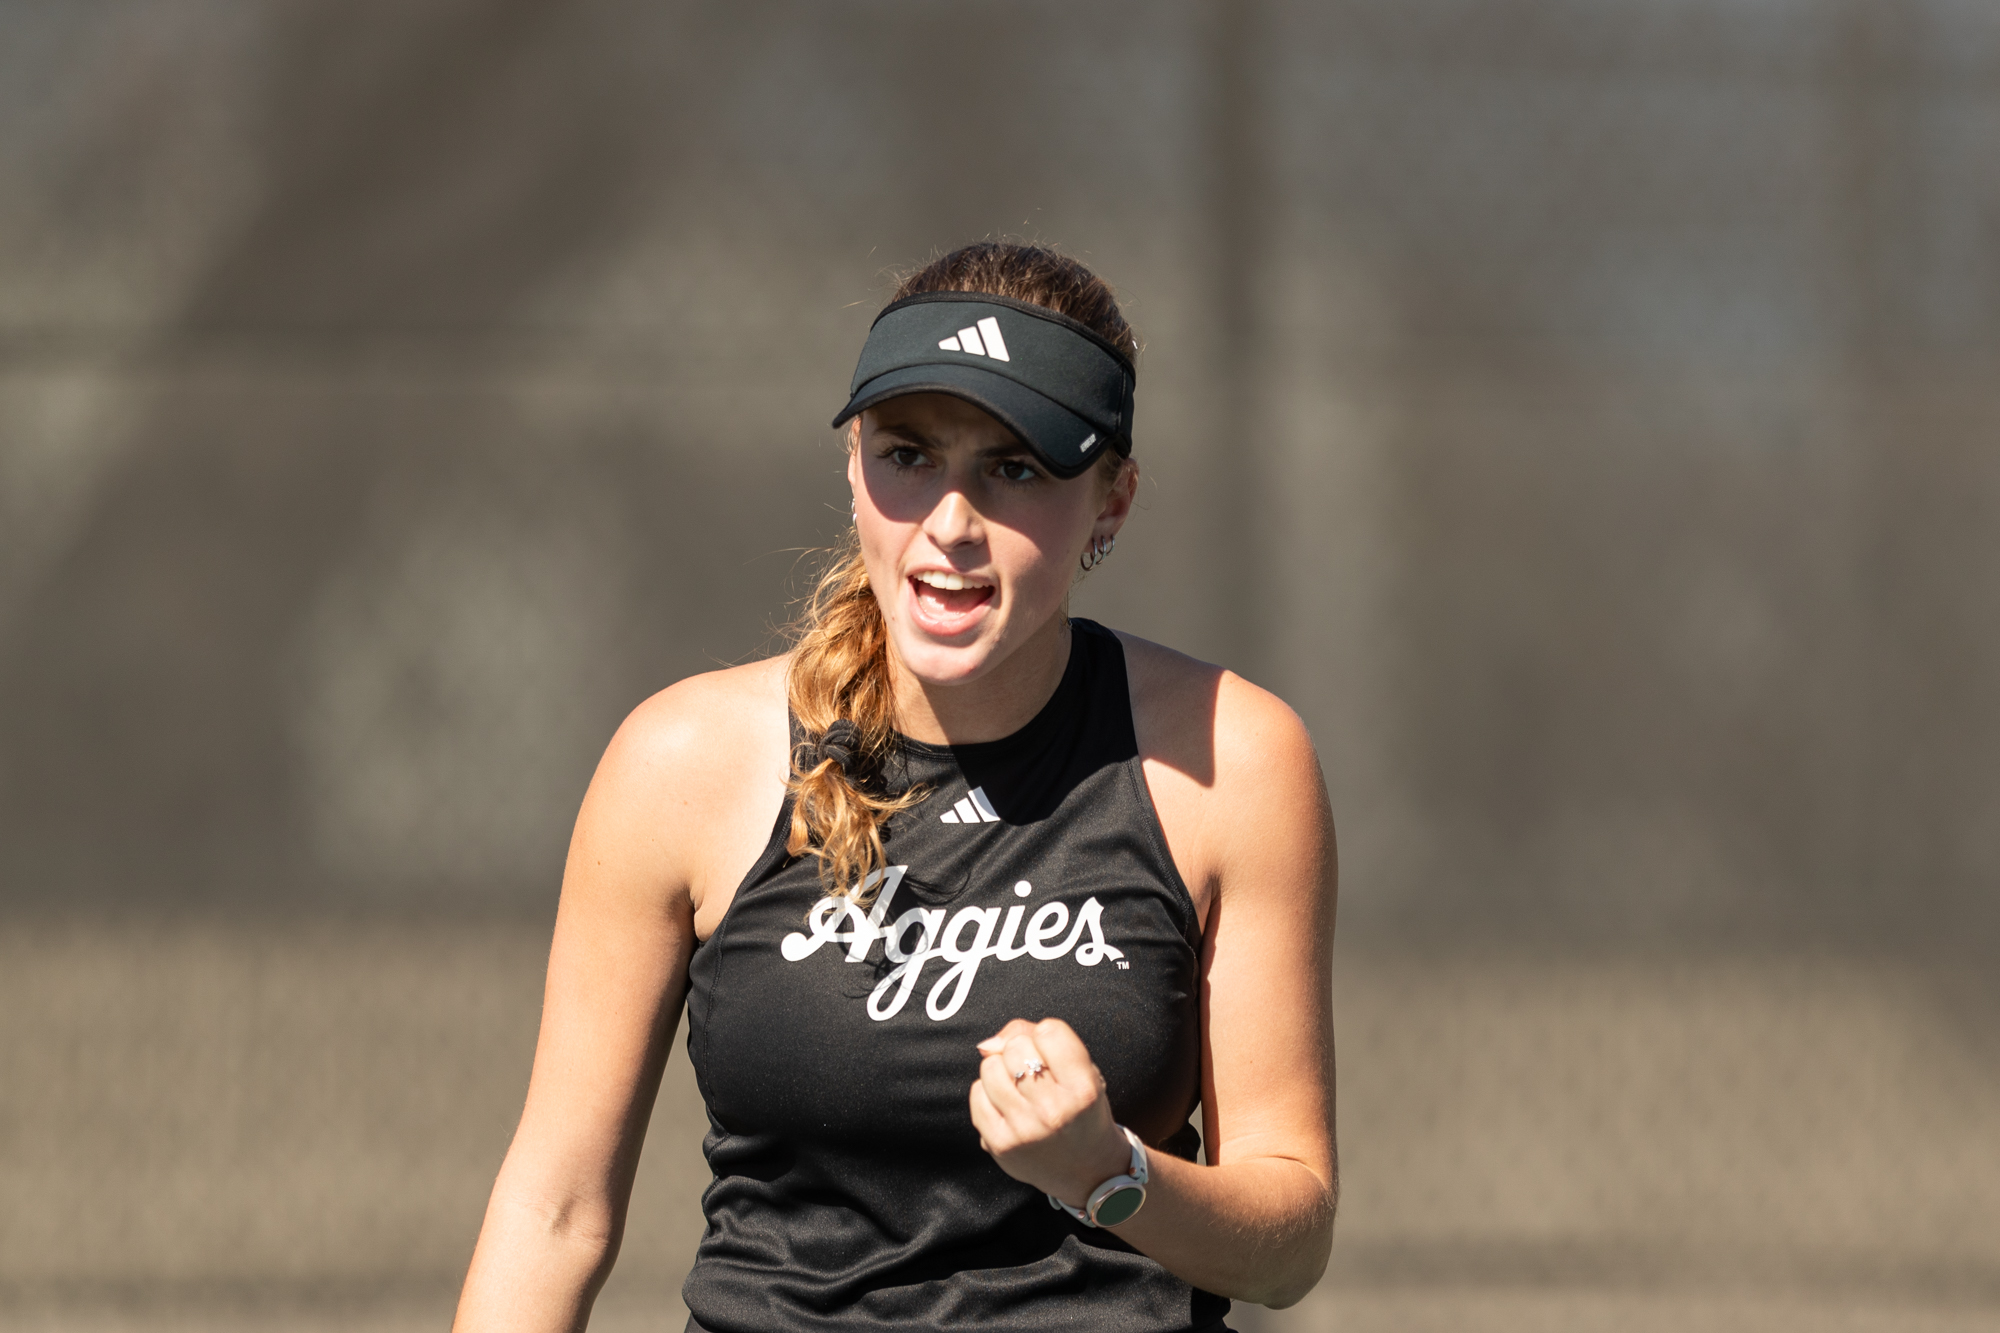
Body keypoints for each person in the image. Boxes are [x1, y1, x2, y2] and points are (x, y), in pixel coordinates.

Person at [452, 242, 1337, 1333]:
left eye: (1015, 469)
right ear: (851, 468)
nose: (950, 522)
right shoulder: (681, 763)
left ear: (1111, 501)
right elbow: (553, 1210)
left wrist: (1109, 1172)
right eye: (908, 454)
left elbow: (1289, 1245)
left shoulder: (1227, 759)